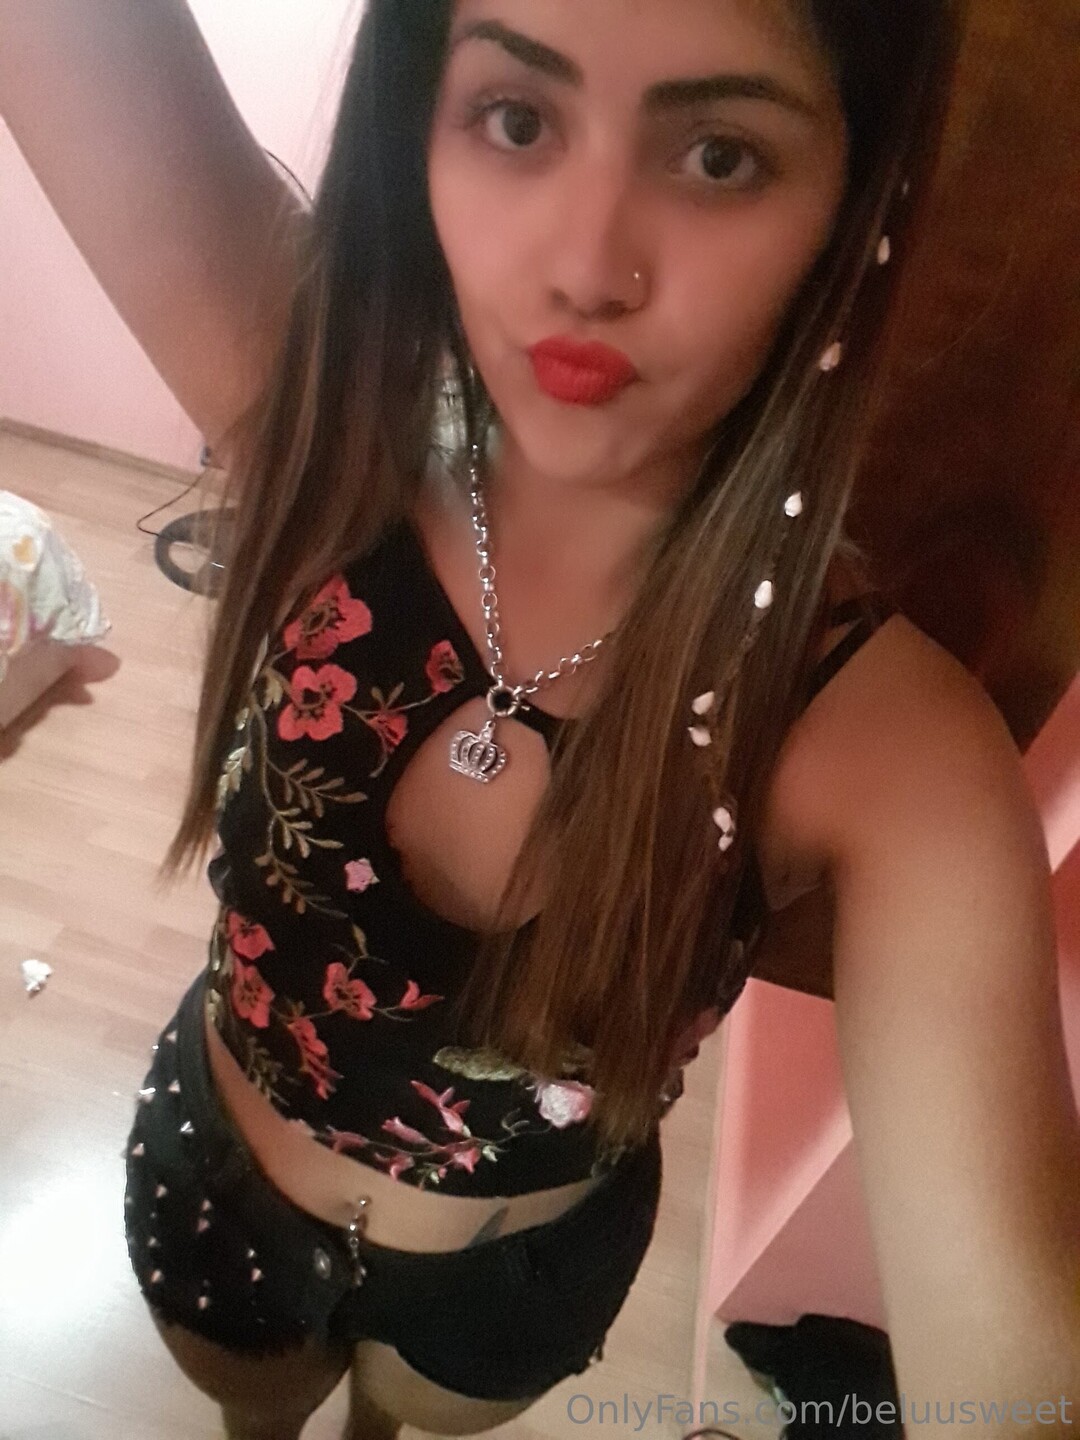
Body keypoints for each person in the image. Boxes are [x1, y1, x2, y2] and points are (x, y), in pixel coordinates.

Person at [3, 2, 1079, 1437]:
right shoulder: (327, 432)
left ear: (851, 208)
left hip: (509, 1290)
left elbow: (1012, 1358)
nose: (585, 266)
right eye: (516, 118)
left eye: (718, 154)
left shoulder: (887, 750)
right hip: (222, 1192)